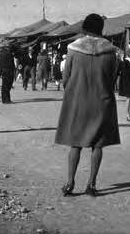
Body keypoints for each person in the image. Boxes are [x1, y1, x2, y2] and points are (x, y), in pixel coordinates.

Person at [55, 14, 121, 197]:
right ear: (101, 29)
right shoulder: (111, 51)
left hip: (78, 101)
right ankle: (91, 185)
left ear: (85, 28)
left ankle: (69, 184)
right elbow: (112, 78)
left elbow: (66, 78)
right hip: (101, 101)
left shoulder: (73, 49)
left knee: (75, 144)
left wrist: (73, 92)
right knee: (98, 145)